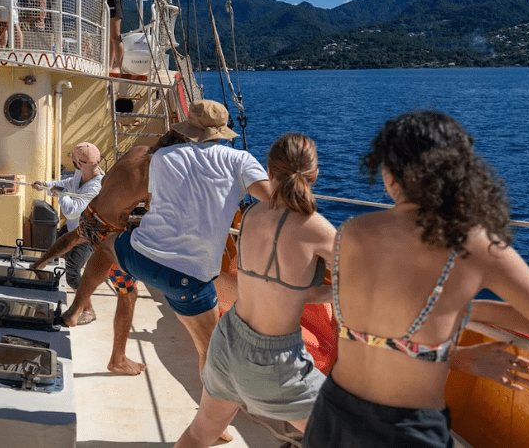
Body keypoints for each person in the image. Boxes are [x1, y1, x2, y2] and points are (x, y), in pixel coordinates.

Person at [303, 111, 529, 447]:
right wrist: (468, 311)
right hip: (405, 430)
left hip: (333, 413)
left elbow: (363, 329)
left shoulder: (351, 232)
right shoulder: (475, 243)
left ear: (388, 174)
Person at [62, 99, 272, 386]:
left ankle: (77, 309)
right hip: (187, 279)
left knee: (108, 243)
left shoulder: (162, 157)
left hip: (141, 257)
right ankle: (216, 424)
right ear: (222, 132)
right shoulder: (240, 160)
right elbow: (273, 200)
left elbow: (157, 203)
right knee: (208, 352)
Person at [175, 133, 335, 448]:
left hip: (228, 339)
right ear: (313, 175)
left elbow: (275, 287)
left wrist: (324, 294)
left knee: (199, 433)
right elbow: (364, 285)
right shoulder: (317, 228)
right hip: (273, 361)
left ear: (269, 172)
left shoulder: (251, 215)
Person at [31, 130, 190, 375]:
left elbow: (107, 183)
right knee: (129, 293)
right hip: (109, 230)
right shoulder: (158, 170)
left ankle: (37, 267)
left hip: (92, 213)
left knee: (74, 236)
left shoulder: (137, 149)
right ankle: (117, 359)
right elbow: (154, 206)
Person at [32, 142, 104, 325]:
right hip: (73, 229)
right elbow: (68, 183)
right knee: (50, 252)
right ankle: (37, 276)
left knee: (73, 273)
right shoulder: (82, 173)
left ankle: (89, 310)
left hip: (87, 234)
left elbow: (72, 211)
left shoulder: (96, 187)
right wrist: (47, 185)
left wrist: (61, 195)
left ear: (79, 162)